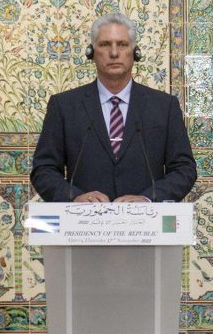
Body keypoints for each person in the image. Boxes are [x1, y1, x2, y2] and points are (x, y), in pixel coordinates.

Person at [31, 12, 197, 203]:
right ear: (91, 52)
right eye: (105, 44)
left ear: (135, 52)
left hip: (145, 226)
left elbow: (184, 169)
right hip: (83, 226)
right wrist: (74, 197)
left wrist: (148, 198)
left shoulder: (164, 106)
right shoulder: (64, 106)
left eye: (122, 44)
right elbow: (43, 169)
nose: (114, 53)